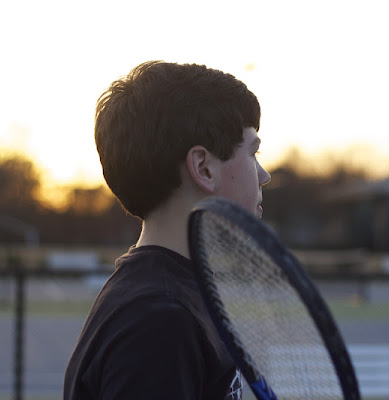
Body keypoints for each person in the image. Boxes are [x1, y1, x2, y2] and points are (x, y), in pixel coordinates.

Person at [64, 61, 271, 400]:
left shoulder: (170, 297)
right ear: (203, 168)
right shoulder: (159, 321)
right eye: (253, 152)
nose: (264, 175)